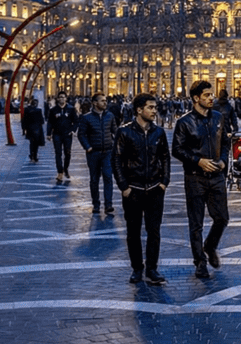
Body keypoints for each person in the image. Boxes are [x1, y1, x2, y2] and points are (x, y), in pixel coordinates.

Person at [172, 80, 231, 279]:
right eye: (206, 95)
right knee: (196, 223)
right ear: (196, 98)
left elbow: (225, 142)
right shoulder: (184, 122)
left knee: (222, 217)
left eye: (211, 94)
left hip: (217, 176)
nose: (210, 98)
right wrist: (197, 161)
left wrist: (223, 160)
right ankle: (200, 262)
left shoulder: (218, 117)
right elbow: (177, 150)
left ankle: (210, 245)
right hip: (195, 178)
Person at [113, 93, 171, 285]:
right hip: (134, 189)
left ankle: (152, 269)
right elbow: (117, 160)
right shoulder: (124, 132)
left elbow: (165, 158)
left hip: (155, 188)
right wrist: (124, 186)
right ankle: (137, 268)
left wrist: (164, 182)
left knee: (154, 231)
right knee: (133, 232)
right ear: (139, 110)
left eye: (155, 107)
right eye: (151, 107)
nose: (155, 111)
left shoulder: (158, 132)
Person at [77, 92, 119, 214]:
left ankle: (108, 204)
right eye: (102, 101)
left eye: (106, 101)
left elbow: (115, 131)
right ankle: (96, 204)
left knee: (108, 177)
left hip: (107, 152)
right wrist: (88, 147)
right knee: (94, 179)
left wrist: (116, 145)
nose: (105, 103)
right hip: (93, 153)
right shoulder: (87, 117)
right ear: (95, 103)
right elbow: (81, 134)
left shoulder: (110, 116)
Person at [47, 91, 79, 183]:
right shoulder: (53, 110)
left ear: (66, 98)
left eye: (63, 97)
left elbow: (76, 121)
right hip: (56, 134)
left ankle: (66, 168)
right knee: (58, 153)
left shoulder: (71, 109)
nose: (61, 99)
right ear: (57, 99)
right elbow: (50, 122)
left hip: (67, 135)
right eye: (60, 97)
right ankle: (60, 172)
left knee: (67, 153)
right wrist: (48, 134)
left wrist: (73, 130)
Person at [21, 97, 45, 162]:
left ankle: (31, 155)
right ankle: (35, 156)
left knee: (31, 143)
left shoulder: (26, 110)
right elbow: (42, 121)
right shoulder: (39, 111)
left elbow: (23, 120)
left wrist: (24, 129)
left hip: (29, 129)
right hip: (37, 130)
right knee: (36, 144)